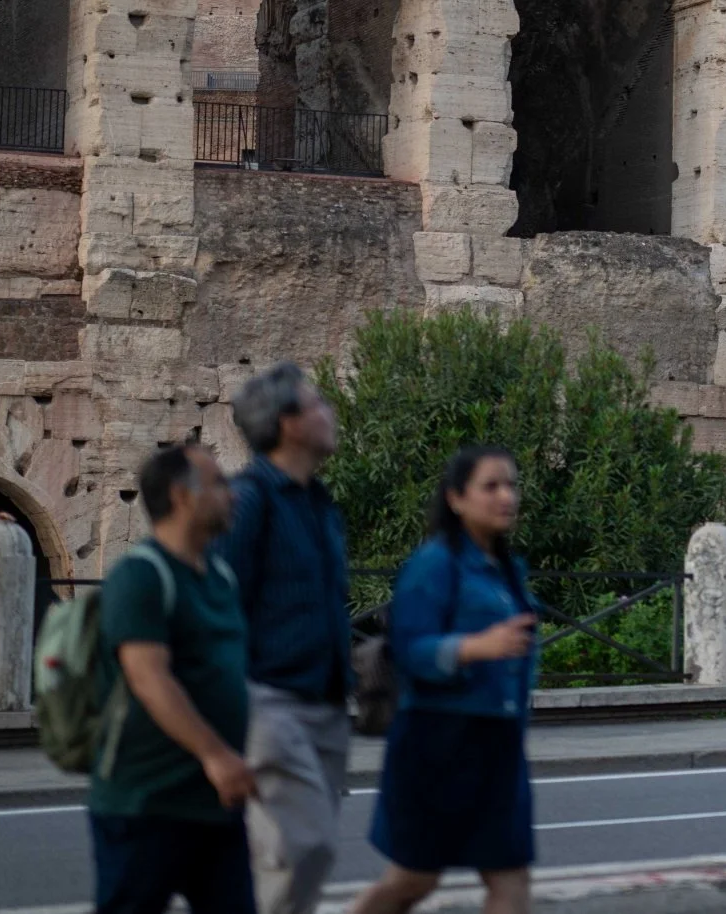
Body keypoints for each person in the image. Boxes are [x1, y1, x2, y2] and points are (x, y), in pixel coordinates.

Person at [350, 448, 541, 914]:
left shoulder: (509, 569)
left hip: (498, 742)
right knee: (413, 880)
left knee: (511, 879)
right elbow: (409, 650)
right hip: (438, 740)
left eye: (511, 485)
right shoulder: (434, 563)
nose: (506, 496)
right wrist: (475, 647)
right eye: (491, 486)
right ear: (456, 498)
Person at [89, 443, 260, 914]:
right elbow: (149, 679)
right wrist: (217, 755)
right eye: (220, 484)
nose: (233, 494)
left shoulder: (220, 575)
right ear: (182, 496)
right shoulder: (141, 576)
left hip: (214, 802)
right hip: (146, 802)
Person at [220, 363, 353, 914]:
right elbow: (219, 604)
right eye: (318, 403)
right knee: (302, 849)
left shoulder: (319, 503)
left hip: (325, 704)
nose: (331, 412)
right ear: (288, 423)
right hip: (270, 702)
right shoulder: (248, 500)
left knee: (303, 857)